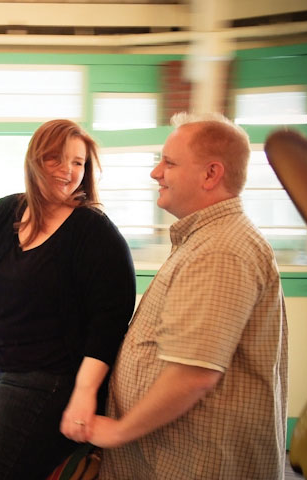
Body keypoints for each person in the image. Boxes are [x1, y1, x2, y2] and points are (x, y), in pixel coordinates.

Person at [89, 112, 288, 479]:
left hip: (195, 462)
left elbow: (194, 374)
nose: (156, 173)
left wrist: (118, 430)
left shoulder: (222, 250)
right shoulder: (204, 240)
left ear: (211, 174)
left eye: (169, 162)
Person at [0, 119, 136, 479]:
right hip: (2, 373)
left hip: (53, 381)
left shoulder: (93, 232)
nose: (68, 171)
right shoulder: (6, 211)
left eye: (78, 163)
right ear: (35, 161)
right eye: (57, 159)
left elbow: (110, 322)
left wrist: (85, 394)